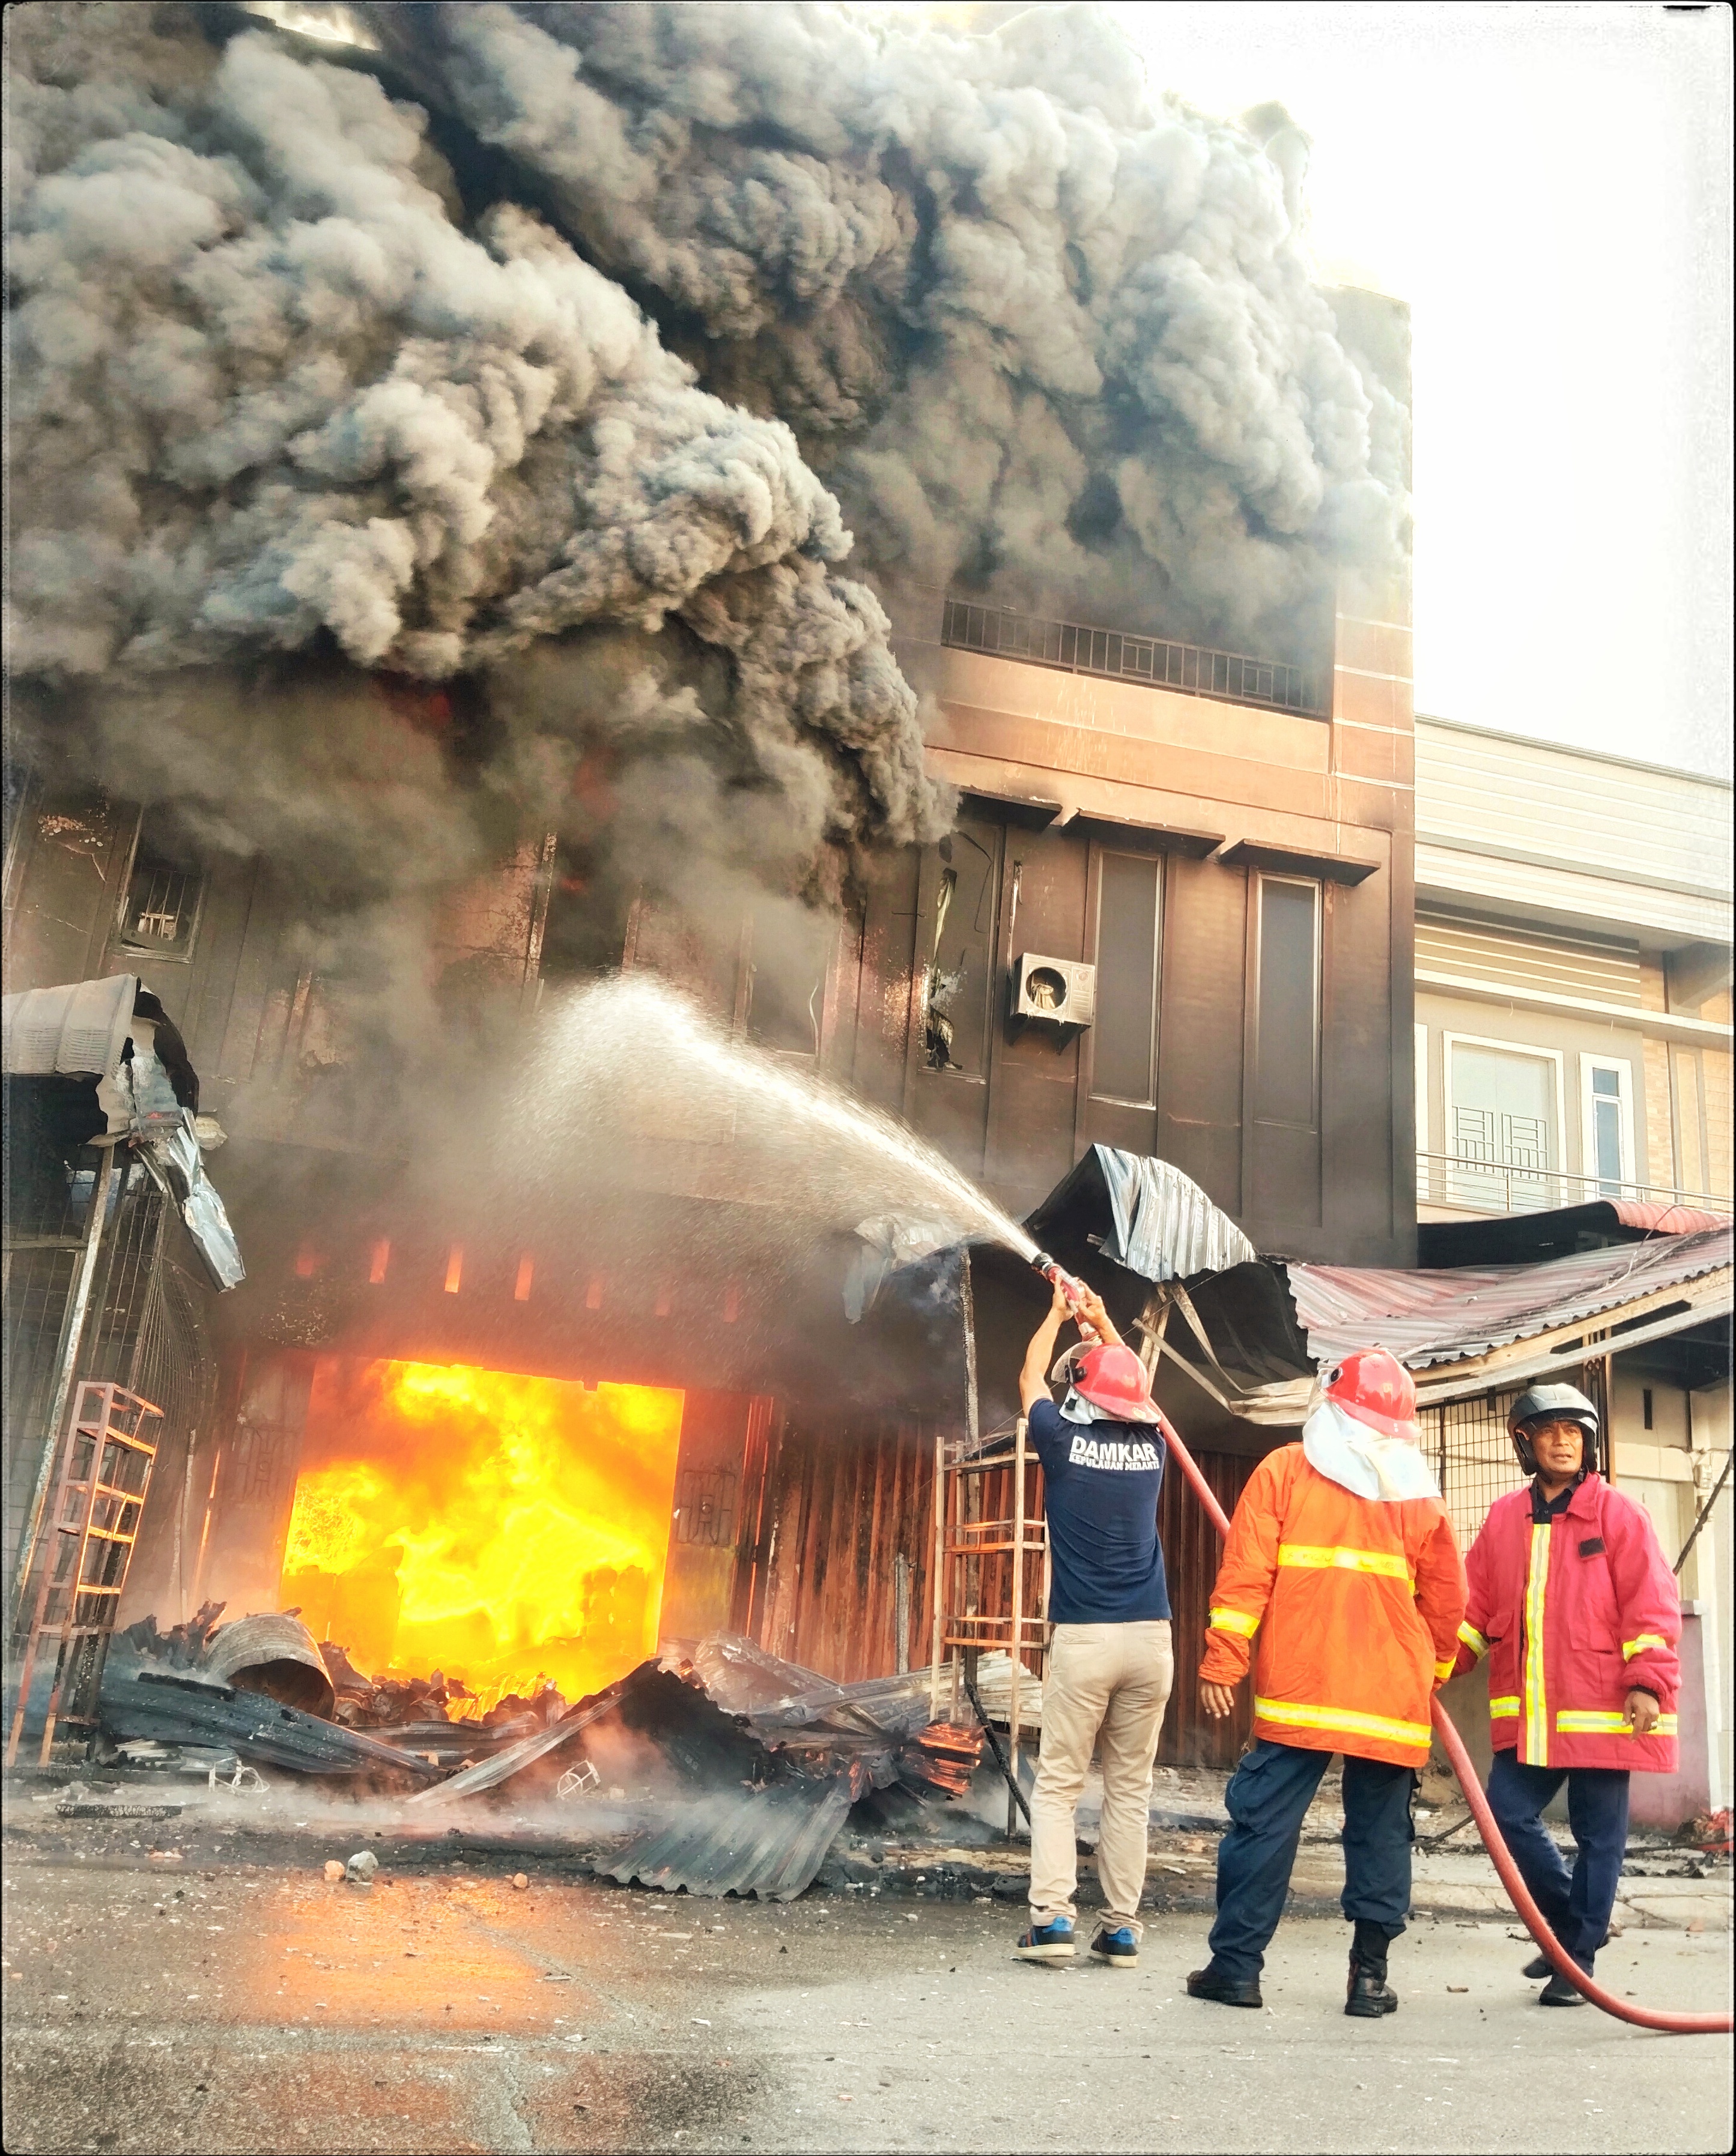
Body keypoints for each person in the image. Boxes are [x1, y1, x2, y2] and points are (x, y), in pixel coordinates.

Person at [1186, 1348, 1466, 2016]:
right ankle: (1368, 1981)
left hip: (1301, 1688)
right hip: (1389, 1700)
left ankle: (1236, 1969)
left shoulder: (1285, 1468)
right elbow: (1448, 1600)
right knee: (1380, 1837)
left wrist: (1224, 1658)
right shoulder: (1419, 1494)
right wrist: (1433, 1668)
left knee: (1264, 1825)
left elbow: (1244, 1576)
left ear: (1330, 1405)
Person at [1450, 1382, 1681, 2006]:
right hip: (1529, 1716)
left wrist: (1647, 1684)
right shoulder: (1502, 1518)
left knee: (1598, 1837)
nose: (1562, 1440)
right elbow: (1473, 1608)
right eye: (1549, 1429)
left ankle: (1574, 1959)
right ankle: (1570, 1928)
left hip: (1606, 1708)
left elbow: (1651, 1606)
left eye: (1573, 1431)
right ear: (1525, 1442)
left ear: (1589, 1442)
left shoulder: (1620, 1515)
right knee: (1505, 1813)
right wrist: (1442, 1661)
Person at [1013, 1280, 1174, 1971]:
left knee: (1058, 1783)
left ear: (1078, 1390)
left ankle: (1052, 1921)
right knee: (1130, 1788)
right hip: (1152, 1641)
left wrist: (1055, 1314)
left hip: (1085, 1638)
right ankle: (1121, 1930)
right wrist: (1103, 1322)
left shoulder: (1060, 1438)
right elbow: (1128, 1378)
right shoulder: (1156, 1447)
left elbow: (1026, 1377)